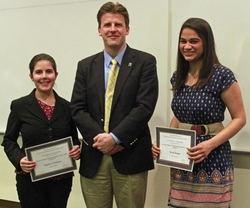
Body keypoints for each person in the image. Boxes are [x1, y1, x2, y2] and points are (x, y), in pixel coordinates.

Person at [70, 2, 158, 208]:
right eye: (107, 24)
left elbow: (144, 106)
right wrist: (101, 140)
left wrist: (116, 138)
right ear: (99, 30)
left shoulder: (145, 62)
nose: (112, 29)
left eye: (118, 24)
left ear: (127, 29)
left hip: (131, 154)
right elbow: (77, 108)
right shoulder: (85, 66)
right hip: (94, 155)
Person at [152, 17, 246, 208]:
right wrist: (164, 143)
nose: (187, 46)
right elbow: (179, 115)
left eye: (194, 41)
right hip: (183, 160)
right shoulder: (177, 77)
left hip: (213, 158)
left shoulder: (221, 75)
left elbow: (240, 118)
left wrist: (209, 145)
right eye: (183, 41)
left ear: (206, 43)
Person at [1, 53, 81, 208]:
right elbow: (9, 140)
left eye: (49, 71)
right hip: (30, 179)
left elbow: (74, 138)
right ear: (31, 76)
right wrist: (19, 160)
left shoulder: (67, 107)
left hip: (61, 180)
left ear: (55, 75)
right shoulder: (20, 106)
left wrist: (77, 149)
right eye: (39, 72)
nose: (44, 76)